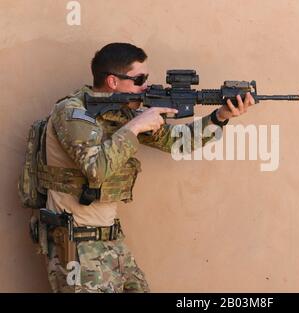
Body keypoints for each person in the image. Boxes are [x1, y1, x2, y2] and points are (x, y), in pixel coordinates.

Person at [42, 42, 254, 293]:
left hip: (109, 239)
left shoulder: (123, 112)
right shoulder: (72, 112)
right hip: (75, 242)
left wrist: (220, 117)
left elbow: (177, 143)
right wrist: (136, 126)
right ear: (112, 81)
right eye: (139, 78)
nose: (145, 86)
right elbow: (95, 169)